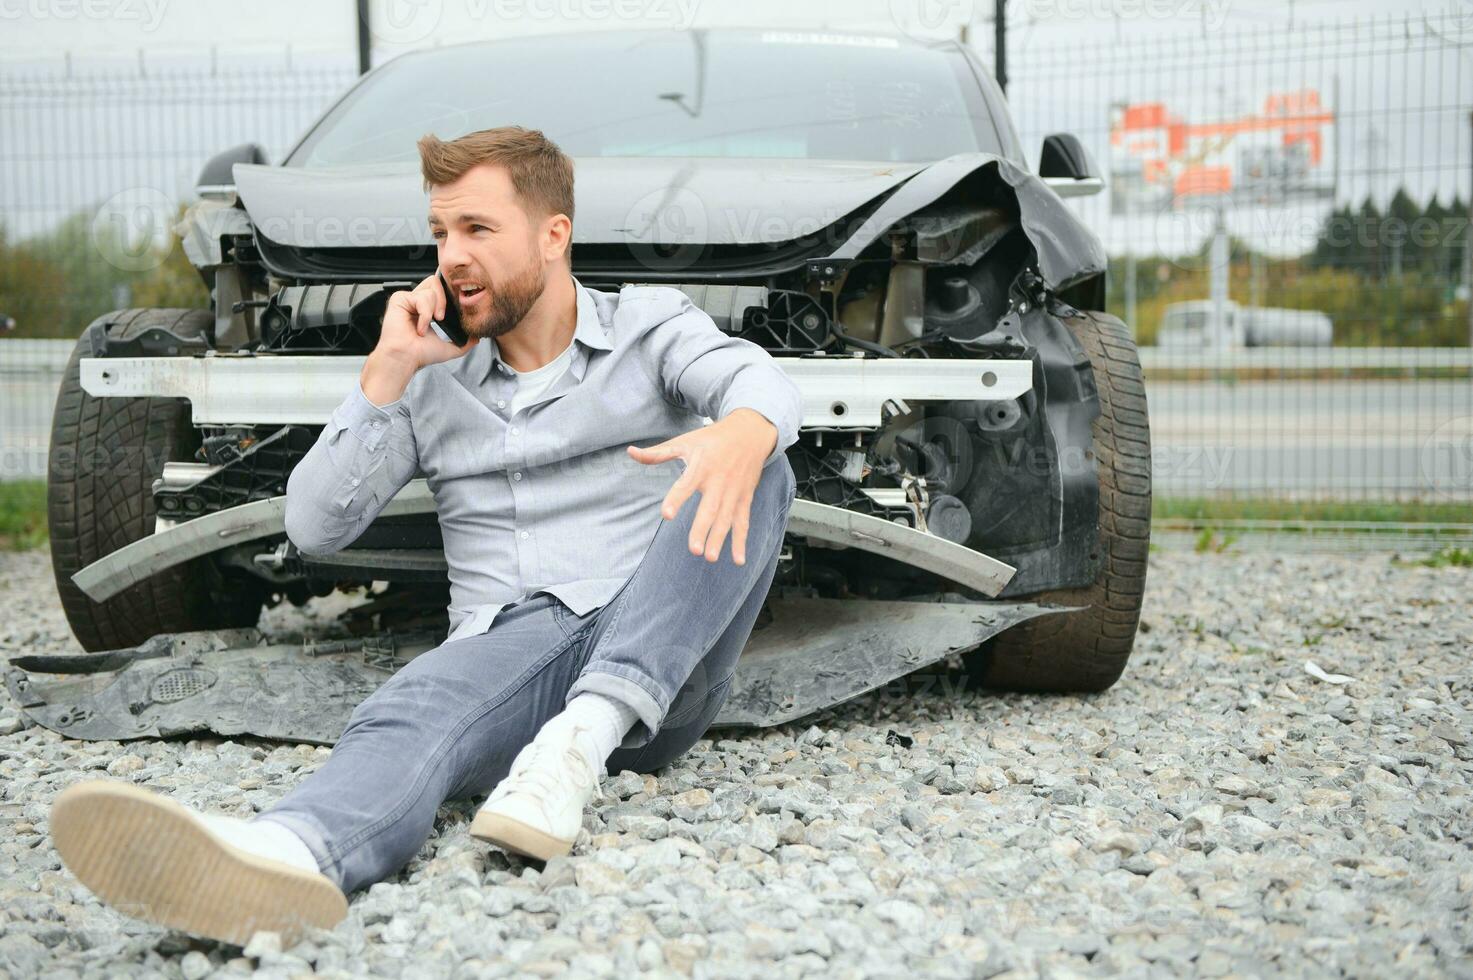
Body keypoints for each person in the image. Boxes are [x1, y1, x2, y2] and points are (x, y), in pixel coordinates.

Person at [49, 125, 802, 947]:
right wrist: (386, 373)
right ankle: (285, 855)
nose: (451, 256)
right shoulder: (426, 376)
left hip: (660, 669)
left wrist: (746, 427)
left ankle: (580, 742)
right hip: (505, 658)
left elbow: (754, 380)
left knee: (755, 455)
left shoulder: (649, 327)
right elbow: (313, 526)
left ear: (553, 237)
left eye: (477, 229)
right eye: (441, 233)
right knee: (411, 707)